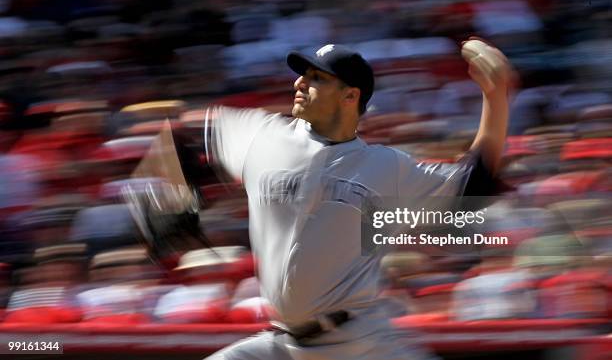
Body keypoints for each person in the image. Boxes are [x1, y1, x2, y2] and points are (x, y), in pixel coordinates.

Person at [200, 38, 514, 360]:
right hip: (283, 344)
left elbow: (475, 185)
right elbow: (196, 138)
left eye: (317, 78)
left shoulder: (386, 168)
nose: (299, 82)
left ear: (350, 96)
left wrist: (496, 97)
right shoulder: (263, 137)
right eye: (302, 74)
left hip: (357, 343)